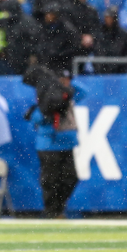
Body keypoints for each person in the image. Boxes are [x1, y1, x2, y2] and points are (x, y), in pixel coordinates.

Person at [23, 64, 86, 218]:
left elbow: (84, 91)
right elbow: (37, 119)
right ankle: (51, 211)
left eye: (67, 79)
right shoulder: (46, 97)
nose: (65, 82)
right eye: (62, 79)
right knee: (50, 180)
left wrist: (64, 85)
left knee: (70, 177)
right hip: (49, 146)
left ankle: (58, 207)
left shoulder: (67, 96)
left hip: (66, 144)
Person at [94, 7, 127, 74]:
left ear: (114, 19)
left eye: (110, 17)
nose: (107, 20)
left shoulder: (124, 35)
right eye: (106, 17)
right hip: (102, 73)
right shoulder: (99, 34)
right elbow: (97, 51)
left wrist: (121, 65)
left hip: (119, 73)